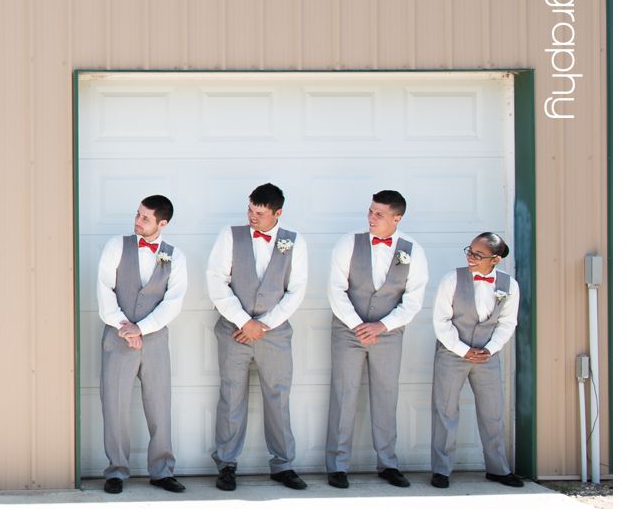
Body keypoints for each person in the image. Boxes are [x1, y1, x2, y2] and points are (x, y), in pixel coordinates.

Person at [205, 183, 310, 491]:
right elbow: (216, 281)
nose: (252, 216)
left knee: (278, 397)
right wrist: (243, 321)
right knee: (231, 396)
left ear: (278, 213)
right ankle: (226, 464)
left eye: (260, 213)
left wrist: (264, 325)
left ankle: (283, 465)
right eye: (250, 209)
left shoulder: (295, 242)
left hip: (274, 334)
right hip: (233, 331)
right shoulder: (230, 235)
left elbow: (296, 290)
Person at [324, 190, 429, 488]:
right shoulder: (349, 244)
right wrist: (359, 325)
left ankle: (387, 463)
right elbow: (336, 289)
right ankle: (337, 465)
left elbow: (413, 300)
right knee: (344, 395)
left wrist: (382, 326)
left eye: (379, 214)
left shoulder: (413, 251)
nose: (371, 218)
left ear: (397, 218)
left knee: (386, 395)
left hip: (389, 333)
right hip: (348, 330)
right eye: (370, 211)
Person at [96, 195, 188, 493]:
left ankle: (162, 470)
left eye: (146, 218)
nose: (138, 221)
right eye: (137, 214)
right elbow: (105, 288)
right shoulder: (116, 247)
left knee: (159, 405)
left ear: (163, 223)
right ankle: (117, 470)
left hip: (155, 339)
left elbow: (173, 302)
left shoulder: (175, 256)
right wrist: (125, 326)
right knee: (115, 405)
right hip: (118, 336)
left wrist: (142, 328)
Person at [427, 232, 522, 489]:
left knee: (492, 412)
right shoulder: (452, 280)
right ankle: (441, 470)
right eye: (470, 251)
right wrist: (461, 349)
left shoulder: (509, 285)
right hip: (451, 353)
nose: (471, 257)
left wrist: (490, 349)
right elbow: (441, 320)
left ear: (496, 259)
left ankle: (497, 468)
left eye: (478, 255)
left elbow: (507, 322)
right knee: (445, 411)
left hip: (487, 356)